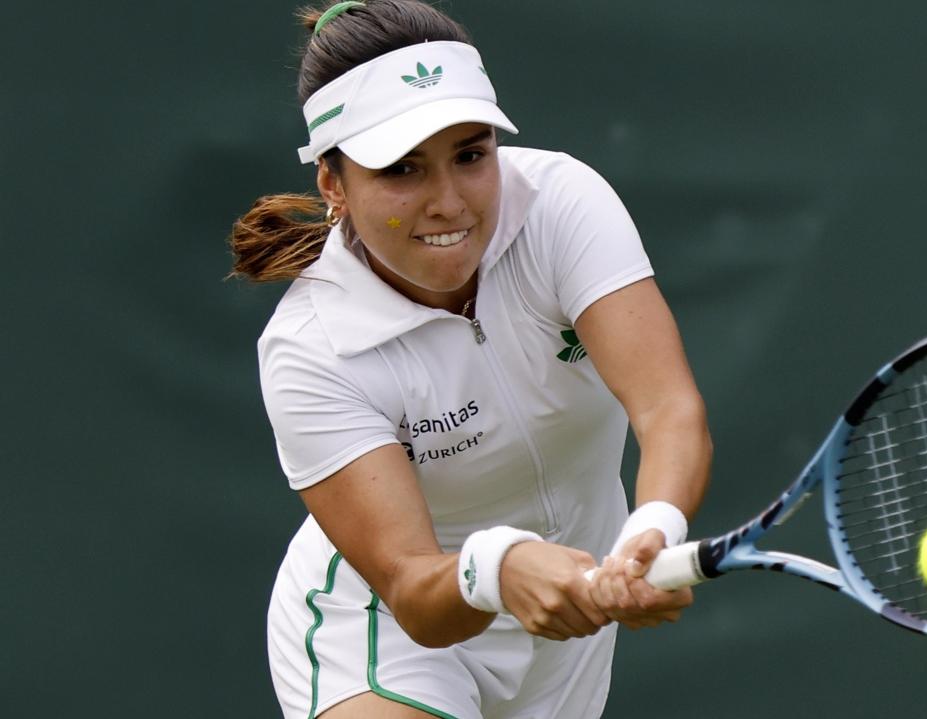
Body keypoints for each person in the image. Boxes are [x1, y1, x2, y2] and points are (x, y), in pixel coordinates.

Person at [228, 1, 712, 717]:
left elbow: (667, 408)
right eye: (402, 170)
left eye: (471, 154)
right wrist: (500, 564)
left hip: (567, 634)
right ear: (334, 185)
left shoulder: (561, 204)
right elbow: (410, 587)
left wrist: (652, 532)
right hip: (387, 631)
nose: (449, 202)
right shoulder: (311, 350)